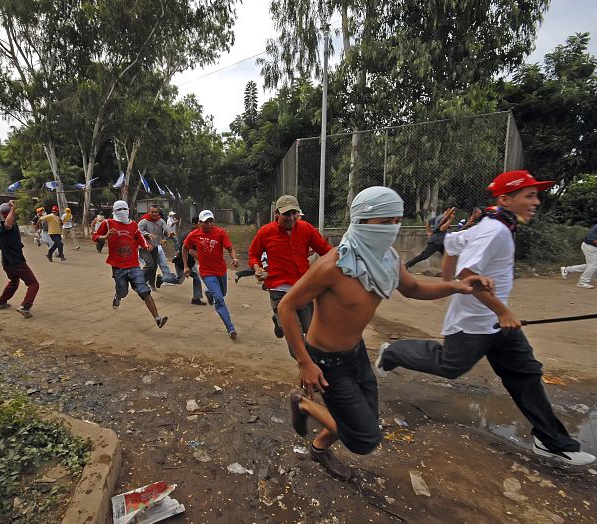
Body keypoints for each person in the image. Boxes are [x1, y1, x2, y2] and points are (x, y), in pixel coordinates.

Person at [377, 170, 596, 466]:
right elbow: (467, 275)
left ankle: (551, 440)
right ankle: (393, 352)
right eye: (529, 195)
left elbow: (451, 244)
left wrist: (447, 279)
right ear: (506, 199)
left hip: (498, 325)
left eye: (536, 195)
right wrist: (501, 310)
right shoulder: (494, 231)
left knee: (526, 376)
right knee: (449, 366)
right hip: (475, 322)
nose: (536, 201)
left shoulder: (492, 225)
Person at [279, 186, 493, 480]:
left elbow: (414, 288)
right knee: (364, 437)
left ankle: (318, 447)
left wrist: (459, 286)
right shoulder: (333, 266)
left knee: (366, 420)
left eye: (397, 220)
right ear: (362, 222)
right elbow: (287, 307)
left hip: (356, 353)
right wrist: (305, 363)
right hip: (326, 361)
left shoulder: (388, 259)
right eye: (385, 222)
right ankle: (302, 403)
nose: (393, 228)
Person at [248, 194, 331, 339]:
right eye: (286, 214)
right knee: (295, 334)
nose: (291, 218)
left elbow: (325, 249)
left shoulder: (306, 229)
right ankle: (301, 356)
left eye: (294, 213)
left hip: (302, 288)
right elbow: (254, 254)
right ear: (277, 213)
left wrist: (343, 258)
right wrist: (257, 268)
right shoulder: (266, 232)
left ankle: (279, 322)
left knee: (309, 328)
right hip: (278, 290)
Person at [92, 200, 168, 328]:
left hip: (133, 265)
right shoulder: (108, 223)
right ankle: (118, 295)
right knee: (123, 292)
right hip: (118, 267)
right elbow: (94, 236)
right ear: (114, 211)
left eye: (124, 209)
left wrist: (145, 245)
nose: (122, 212)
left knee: (144, 290)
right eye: (119, 210)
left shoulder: (133, 224)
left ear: (128, 210)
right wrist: (105, 237)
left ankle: (158, 318)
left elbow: (139, 237)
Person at [182, 210, 240, 339]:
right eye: (205, 222)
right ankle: (230, 328)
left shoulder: (220, 233)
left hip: (221, 270)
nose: (208, 225)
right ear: (199, 223)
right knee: (219, 299)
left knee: (222, 293)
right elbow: (185, 248)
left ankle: (209, 293)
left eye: (210, 221)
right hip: (207, 273)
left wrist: (234, 258)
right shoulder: (193, 235)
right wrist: (186, 266)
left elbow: (230, 248)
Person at [0, 201, 39, 318]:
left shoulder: (5, 228)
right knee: (33, 284)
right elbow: (7, 225)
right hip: (15, 262)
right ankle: (25, 306)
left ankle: (1, 302)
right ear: (8, 213)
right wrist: (13, 208)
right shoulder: (5, 227)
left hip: (7, 262)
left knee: (14, 281)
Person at [560, 213, 597, 288]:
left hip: (596, 247)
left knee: (591, 265)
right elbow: (592, 239)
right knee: (595, 264)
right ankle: (582, 282)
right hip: (590, 246)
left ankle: (567, 270)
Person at [138, 204, 179, 288]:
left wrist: (168, 233)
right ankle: (139, 281)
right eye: (152, 212)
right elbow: (137, 232)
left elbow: (166, 229)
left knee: (154, 266)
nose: (154, 214)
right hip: (144, 247)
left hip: (155, 247)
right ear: (149, 212)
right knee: (150, 264)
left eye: (156, 212)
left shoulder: (161, 221)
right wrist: (147, 234)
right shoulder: (144, 221)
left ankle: (152, 283)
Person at [174, 216, 207, 305]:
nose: (203, 224)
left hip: (190, 262)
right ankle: (162, 279)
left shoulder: (198, 234)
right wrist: (186, 266)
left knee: (196, 277)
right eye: (200, 222)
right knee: (179, 280)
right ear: (194, 224)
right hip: (181, 261)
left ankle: (196, 298)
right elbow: (188, 251)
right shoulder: (189, 235)